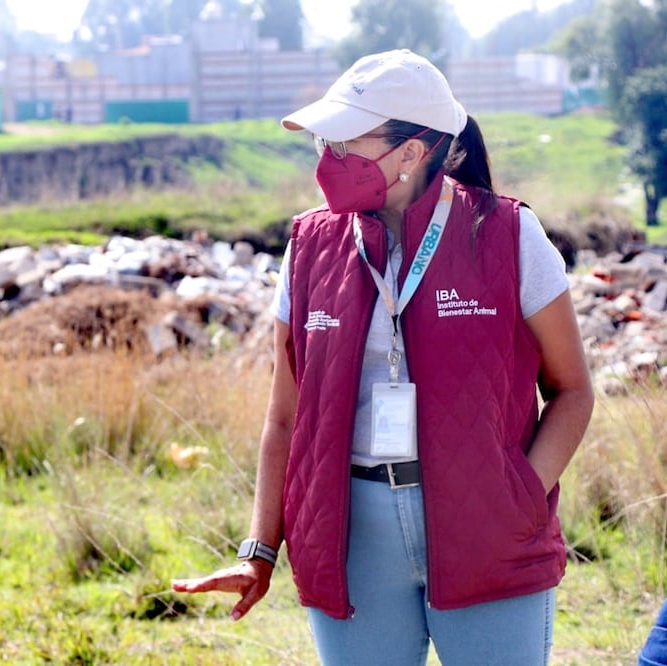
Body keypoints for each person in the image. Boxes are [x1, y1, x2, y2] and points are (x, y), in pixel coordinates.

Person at [172, 49, 594, 665]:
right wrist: (258, 550)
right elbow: (285, 417)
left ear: (412, 151)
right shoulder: (309, 245)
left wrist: (522, 495)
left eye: (346, 142)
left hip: (489, 534)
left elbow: (573, 389)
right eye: (324, 141)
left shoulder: (507, 232)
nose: (328, 158)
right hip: (351, 541)